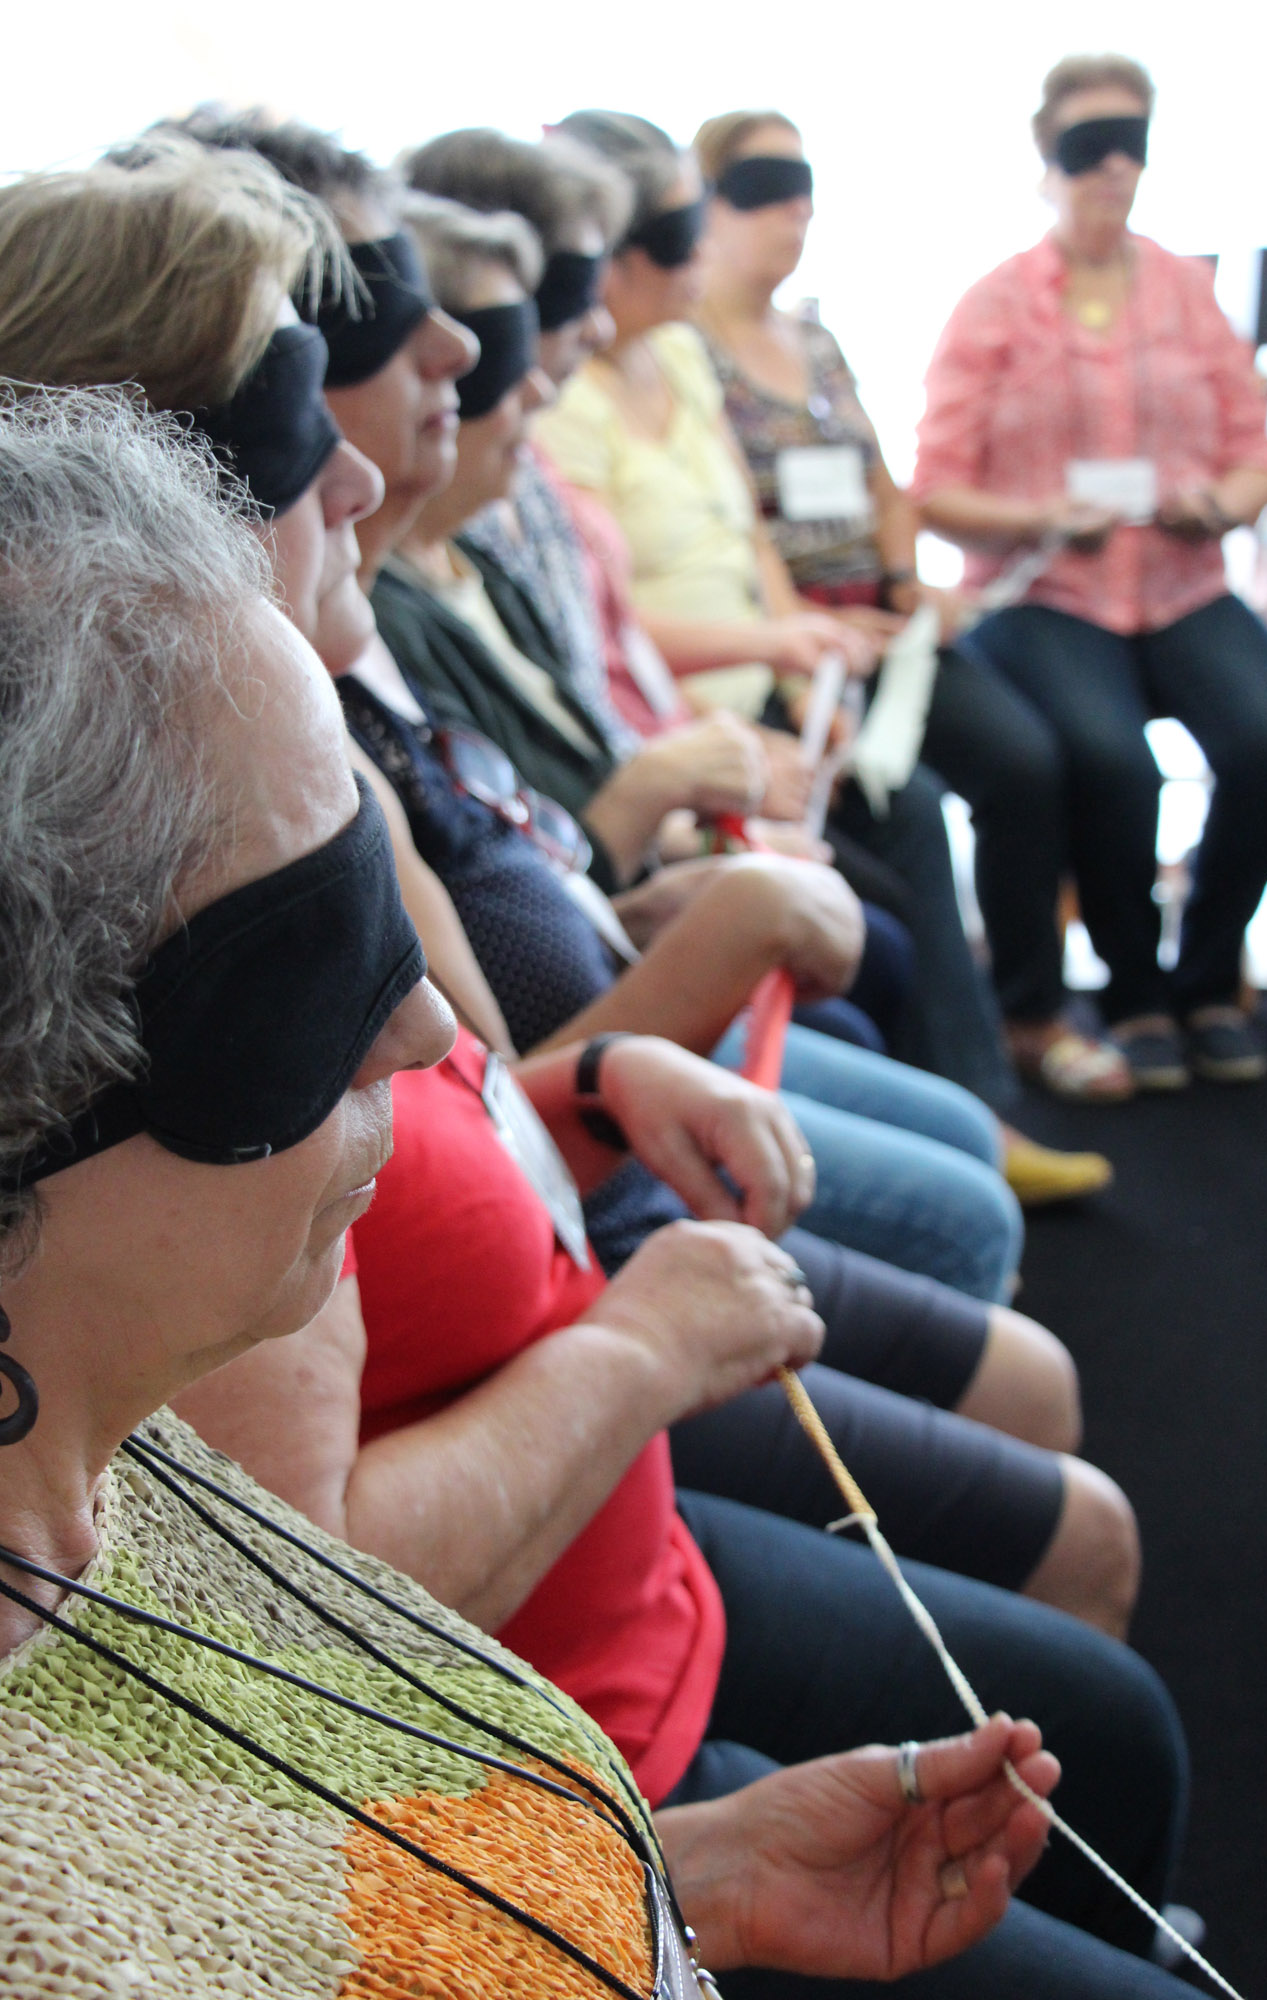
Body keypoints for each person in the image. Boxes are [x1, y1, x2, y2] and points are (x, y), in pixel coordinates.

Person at [0, 384, 1070, 1999]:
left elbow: (330, 1865)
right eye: (304, 961)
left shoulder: (114, 1473)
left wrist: (687, 1879)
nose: (426, 1026)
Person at [535, 110, 1031, 1116]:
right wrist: (777, 643)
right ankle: (944, 1117)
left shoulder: (675, 351)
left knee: (931, 806)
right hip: (688, 714)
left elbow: (743, 530)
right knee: (884, 900)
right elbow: (600, 634)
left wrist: (797, 652)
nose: (709, 248)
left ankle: (971, 1101)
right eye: (686, 231)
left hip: (769, 680)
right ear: (614, 257)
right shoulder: (559, 406)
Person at [691, 108, 1124, 1115]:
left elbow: (886, 485)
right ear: (707, 203)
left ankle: (1030, 1012)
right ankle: (957, 1090)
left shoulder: (817, 337)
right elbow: (727, 521)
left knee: (1025, 760)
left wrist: (900, 583)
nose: (792, 211)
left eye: (802, 186)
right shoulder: (688, 351)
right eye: (762, 188)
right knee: (905, 799)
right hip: (802, 638)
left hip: (883, 620)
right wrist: (809, 624)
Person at [915, 53, 1267, 1090]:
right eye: (1086, 149)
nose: (1110, 171)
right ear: (1045, 162)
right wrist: (1044, 515)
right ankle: (1132, 990)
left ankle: (1206, 969)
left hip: (1181, 578)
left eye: (1128, 146)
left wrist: (1220, 502)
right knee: (1108, 761)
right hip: (1044, 590)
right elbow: (934, 486)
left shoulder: (1187, 291)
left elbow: (1250, 452)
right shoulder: (994, 304)